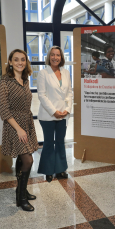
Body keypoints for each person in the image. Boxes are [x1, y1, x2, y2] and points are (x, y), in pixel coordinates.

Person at [0, 49, 38, 212]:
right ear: (10, 62)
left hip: (26, 122)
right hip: (14, 125)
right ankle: (20, 198)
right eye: (16, 60)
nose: (20, 62)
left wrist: (26, 126)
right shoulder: (5, 82)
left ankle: (23, 190)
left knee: (23, 159)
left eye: (23, 59)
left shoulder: (25, 79)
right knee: (28, 160)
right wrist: (20, 129)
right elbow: (4, 110)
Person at [37, 46, 73, 182]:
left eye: (58, 55)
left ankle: (60, 169)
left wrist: (67, 110)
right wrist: (54, 112)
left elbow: (69, 93)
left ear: (61, 57)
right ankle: (48, 170)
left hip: (63, 114)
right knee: (48, 143)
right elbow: (42, 95)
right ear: (49, 57)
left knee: (59, 142)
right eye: (52, 55)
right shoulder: (43, 73)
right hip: (48, 115)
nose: (55, 57)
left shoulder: (66, 73)